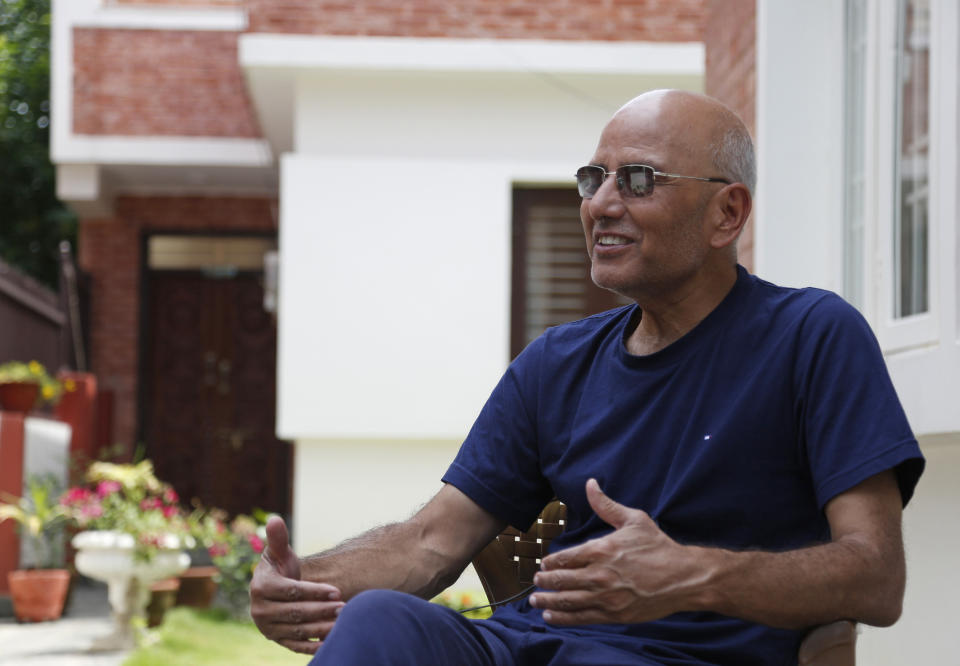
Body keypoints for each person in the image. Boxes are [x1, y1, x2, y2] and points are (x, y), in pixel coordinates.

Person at [250, 90, 924, 665]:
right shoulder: (556, 363)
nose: (600, 203)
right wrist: (306, 584)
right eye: (591, 179)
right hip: (537, 644)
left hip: (678, 656)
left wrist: (690, 575)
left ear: (728, 213)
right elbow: (433, 538)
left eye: (637, 180)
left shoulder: (812, 335)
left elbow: (876, 576)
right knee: (378, 627)